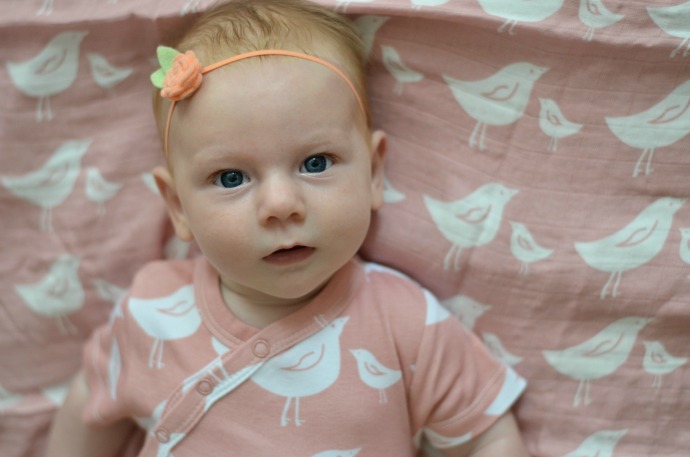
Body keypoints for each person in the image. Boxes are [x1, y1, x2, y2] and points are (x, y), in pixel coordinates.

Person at [46, 0, 531, 456]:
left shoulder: (407, 323)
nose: (281, 205)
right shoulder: (151, 312)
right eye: (231, 178)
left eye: (316, 163)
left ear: (373, 173)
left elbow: (487, 439)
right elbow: (89, 403)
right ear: (178, 206)